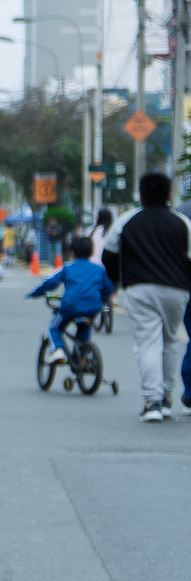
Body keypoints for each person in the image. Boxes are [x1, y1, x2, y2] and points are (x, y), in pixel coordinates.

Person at [102, 172, 191, 422]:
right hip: (176, 289)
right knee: (171, 340)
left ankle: (152, 402)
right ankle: (166, 398)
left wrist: (116, 281)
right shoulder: (182, 222)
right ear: (169, 194)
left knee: (148, 342)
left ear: (140, 194)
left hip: (138, 287)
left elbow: (108, 255)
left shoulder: (126, 220)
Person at [28, 237, 112, 362]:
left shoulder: (68, 268)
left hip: (70, 307)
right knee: (85, 327)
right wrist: (102, 299)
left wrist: (35, 293)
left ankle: (58, 350)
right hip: (92, 308)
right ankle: (83, 356)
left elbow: (50, 282)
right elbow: (108, 288)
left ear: (72, 252)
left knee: (54, 328)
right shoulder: (99, 269)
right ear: (91, 251)